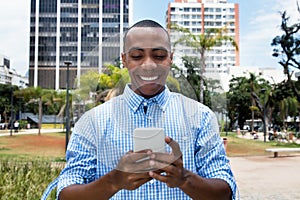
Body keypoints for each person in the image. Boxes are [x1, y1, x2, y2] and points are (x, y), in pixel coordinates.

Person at [42, 19, 237, 200]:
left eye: (159, 56)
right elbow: (66, 193)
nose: (149, 65)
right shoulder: (93, 121)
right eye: (137, 56)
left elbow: (225, 191)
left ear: (171, 58)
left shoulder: (200, 116)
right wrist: (114, 181)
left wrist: (184, 179)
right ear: (124, 60)